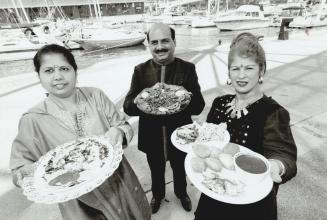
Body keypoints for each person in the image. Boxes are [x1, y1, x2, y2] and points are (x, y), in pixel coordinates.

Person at [10, 44, 151, 220]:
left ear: (75, 71)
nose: (58, 76)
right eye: (48, 71)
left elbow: (123, 126)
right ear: (38, 75)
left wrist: (119, 131)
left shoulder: (96, 96)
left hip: (118, 182)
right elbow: (19, 168)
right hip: (78, 200)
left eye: (64, 68)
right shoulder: (32, 119)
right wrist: (30, 174)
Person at [194, 32, 297, 220]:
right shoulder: (219, 103)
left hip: (251, 206)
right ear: (229, 72)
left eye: (249, 68)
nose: (241, 75)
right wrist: (200, 131)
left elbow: (285, 155)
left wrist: (276, 166)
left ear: (262, 71)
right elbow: (208, 143)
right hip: (214, 195)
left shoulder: (273, 112)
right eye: (235, 69)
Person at [123, 23, 205, 214]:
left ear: (174, 42)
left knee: (179, 168)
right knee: (156, 170)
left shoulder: (187, 69)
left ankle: (181, 193)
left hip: (180, 134)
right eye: (154, 42)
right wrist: (142, 100)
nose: (160, 47)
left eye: (165, 41)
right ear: (149, 45)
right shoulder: (140, 70)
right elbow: (128, 107)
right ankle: (157, 195)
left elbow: (199, 105)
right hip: (151, 136)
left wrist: (184, 97)